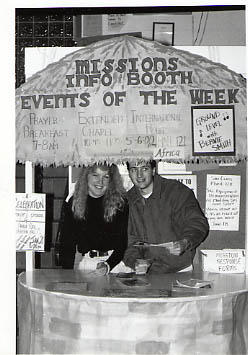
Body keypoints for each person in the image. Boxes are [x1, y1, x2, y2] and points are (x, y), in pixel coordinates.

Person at [123, 159, 209, 273]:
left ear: (153, 170)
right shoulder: (127, 201)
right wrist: (135, 262)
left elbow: (197, 223)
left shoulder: (176, 191)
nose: (139, 175)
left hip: (180, 270)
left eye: (145, 169)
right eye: (134, 170)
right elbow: (127, 241)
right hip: (148, 273)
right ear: (129, 172)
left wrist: (185, 242)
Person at [59, 163, 128, 275]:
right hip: (87, 263)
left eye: (106, 177)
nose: (100, 182)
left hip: (115, 264)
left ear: (111, 180)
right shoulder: (74, 202)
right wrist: (66, 275)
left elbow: (122, 243)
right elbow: (67, 244)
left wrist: (108, 265)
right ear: (86, 176)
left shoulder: (120, 203)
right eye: (95, 175)